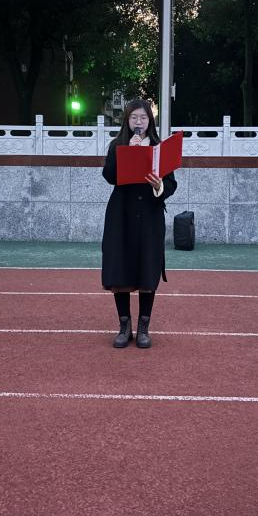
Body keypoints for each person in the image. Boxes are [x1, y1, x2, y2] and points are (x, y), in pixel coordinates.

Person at [101, 99, 178, 348]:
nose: (138, 122)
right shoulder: (117, 145)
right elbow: (109, 176)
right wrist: (128, 154)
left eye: (143, 118)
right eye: (134, 117)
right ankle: (124, 327)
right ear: (127, 120)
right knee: (120, 266)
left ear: (150, 121)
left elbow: (172, 183)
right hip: (121, 214)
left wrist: (160, 186)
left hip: (149, 215)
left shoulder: (158, 147)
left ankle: (144, 328)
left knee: (147, 265)